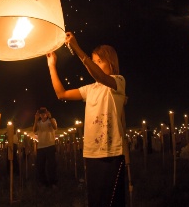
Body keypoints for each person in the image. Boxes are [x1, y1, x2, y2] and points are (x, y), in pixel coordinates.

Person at [46, 32, 127, 206]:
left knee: (112, 200)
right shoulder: (90, 89)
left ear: (111, 63)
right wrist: (52, 66)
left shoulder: (118, 82)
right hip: (91, 151)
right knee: (95, 199)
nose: (95, 64)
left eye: (99, 61)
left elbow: (100, 76)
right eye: (94, 61)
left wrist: (76, 47)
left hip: (111, 152)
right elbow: (62, 94)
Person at [33, 107, 58, 189]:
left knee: (51, 165)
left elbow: (55, 127)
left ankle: (53, 182)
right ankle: (44, 183)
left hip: (50, 145)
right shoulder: (39, 123)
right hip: (41, 146)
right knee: (40, 165)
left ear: (47, 113)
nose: (43, 114)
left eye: (44, 113)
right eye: (41, 113)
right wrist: (36, 119)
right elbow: (34, 130)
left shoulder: (51, 120)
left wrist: (50, 117)